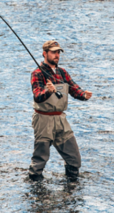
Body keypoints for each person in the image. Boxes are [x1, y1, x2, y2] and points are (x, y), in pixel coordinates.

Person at [29, 40, 92, 181]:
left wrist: (84, 95)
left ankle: (70, 189)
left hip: (61, 119)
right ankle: (36, 188)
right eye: (53, 52)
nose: (57, 55)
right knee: (40, 160)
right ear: (44, 53)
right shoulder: (37, 74)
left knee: (74, 158)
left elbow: (74, 89)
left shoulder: (62, 72)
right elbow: (37, 96)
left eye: (58, 52)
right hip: (43, 119)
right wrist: (47, 91)